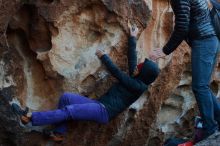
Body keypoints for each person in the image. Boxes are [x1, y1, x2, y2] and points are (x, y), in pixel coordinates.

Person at [12, 25, 160, 142]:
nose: (139, 66)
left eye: (142, 67)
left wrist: (104, 57)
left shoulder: (138, 86)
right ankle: (59, 133)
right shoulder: (137, 77)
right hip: (99, 104)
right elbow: (133, 60)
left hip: (103, 111)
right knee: (66, 98)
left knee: (69, 111)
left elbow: (117, 73)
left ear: (144, 73)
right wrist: (133, 37)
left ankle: (30, 117)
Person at [150, 0, 220, 143]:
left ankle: (210, 128)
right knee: (203, 86)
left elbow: (182, 27)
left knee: (199, 87)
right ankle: (217, 120)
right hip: (212, 40)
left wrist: (165, 50)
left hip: (204, 40)